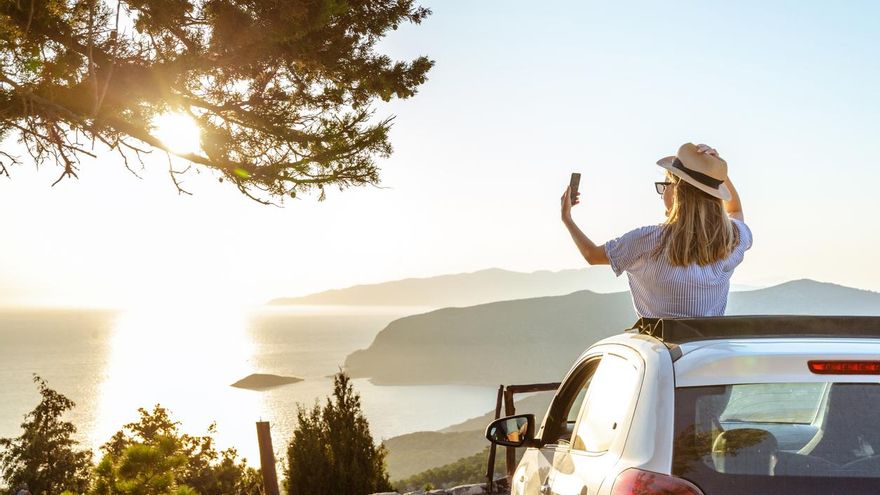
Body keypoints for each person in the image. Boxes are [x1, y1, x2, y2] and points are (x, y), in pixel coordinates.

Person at [560, 143, 751, 318]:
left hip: (657, 349)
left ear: (677, 192)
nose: (662, 194)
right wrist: (715, 172)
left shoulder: (648, 241)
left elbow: (591, 255)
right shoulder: (731, 239)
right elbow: (735, 211)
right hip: (709, 349)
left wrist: (567, 218)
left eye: (665, 185)